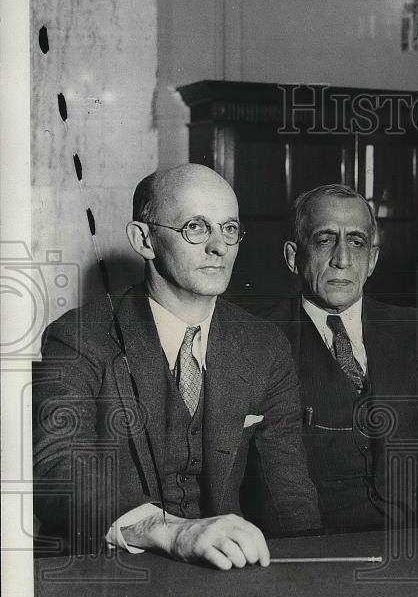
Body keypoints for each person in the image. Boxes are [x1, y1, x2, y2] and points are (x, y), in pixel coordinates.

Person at [33, 164, 320, 569]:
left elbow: (288, 490)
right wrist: (170, 530)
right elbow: (55, 468)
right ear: (144, 239)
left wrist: (306, 579)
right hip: (110, 575)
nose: (220, 247)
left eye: (230, 228)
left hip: (224, 575)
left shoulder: (264, 345)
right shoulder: (80, 337)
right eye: (197, 228)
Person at [260, 184, 418, 533]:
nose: (342, 259)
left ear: (373, 259)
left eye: (357, 242)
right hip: (317, 546)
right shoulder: (261, 340)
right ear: (293, 256)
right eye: (325, 240)